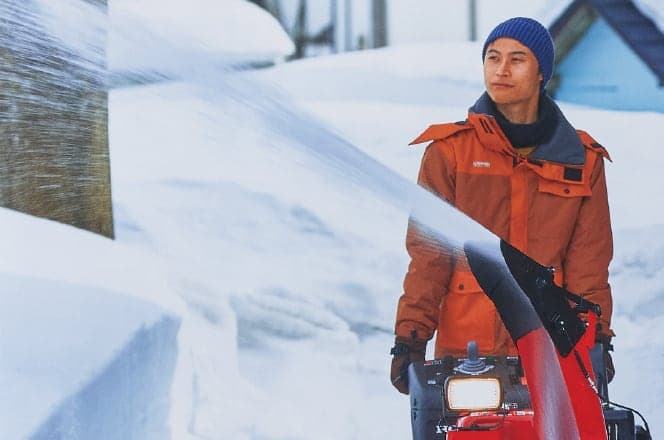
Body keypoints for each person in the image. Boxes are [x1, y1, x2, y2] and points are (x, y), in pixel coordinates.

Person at [390, 17, 615, 394]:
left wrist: (597, 340)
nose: (501, 70)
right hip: (466, 356)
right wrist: (411, 338)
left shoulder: (581, 161)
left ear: (542, 72)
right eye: (492, 58)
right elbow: (429, 256)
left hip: (552, 351)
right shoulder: (450, 153)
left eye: (517, 59)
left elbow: (589, 265)